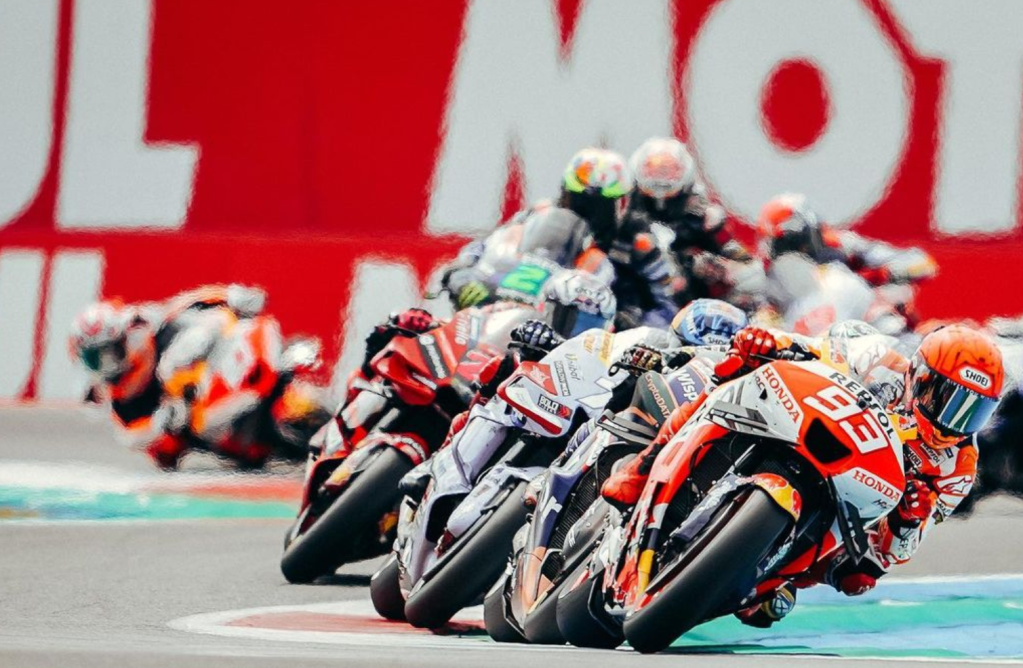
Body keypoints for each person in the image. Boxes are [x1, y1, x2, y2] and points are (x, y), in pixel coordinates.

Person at [601, 321, 1004, 625]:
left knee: (858, 579)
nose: (954, 421)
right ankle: (643, 467)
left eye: (973, 411)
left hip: (851, 498)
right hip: (805, 430)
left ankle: (771, 578)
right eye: (949, 400)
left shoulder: (958, 468)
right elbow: (811, 349)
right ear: (919, 376)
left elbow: (894, 554)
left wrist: (909, 520)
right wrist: (770, 343)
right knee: (732, 370)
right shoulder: (879, 360)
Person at [69, 284, 267, 468]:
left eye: (108, 354)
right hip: (204, 427)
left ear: (124, 337)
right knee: (167, 451)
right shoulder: (115, 397)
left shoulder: (147, 328)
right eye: (94, 360)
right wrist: (163, 420)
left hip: (217, 369)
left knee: (178, 356)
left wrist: (229, 296)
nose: (106, 366)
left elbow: (184, 303)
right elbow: (132, 436)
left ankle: (255, 364)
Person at [438, 148, 627, 310]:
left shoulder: (625, 244)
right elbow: (481, 248)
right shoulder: (535, 214)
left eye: (601, 206)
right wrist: (463, 277)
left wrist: (624, 314)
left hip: (569, 327)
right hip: (504, 304)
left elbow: (637, 303)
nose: (587, 210)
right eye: (579, 199)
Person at [617, 137, 762, 318]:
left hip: (693, 310)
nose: (660, 180)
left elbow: (750, 269)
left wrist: (716, 267)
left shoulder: (704, 217)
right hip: (633, 305)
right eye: (653, 170)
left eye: (668, 171)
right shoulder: (623, 215)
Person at [757, 193, 938, 287]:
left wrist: (876, 276)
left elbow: (923, 263)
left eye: (798, 240)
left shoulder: (842, 244)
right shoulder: (765, 266)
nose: (798, 249)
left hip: (859, 318)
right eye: (784, 244)